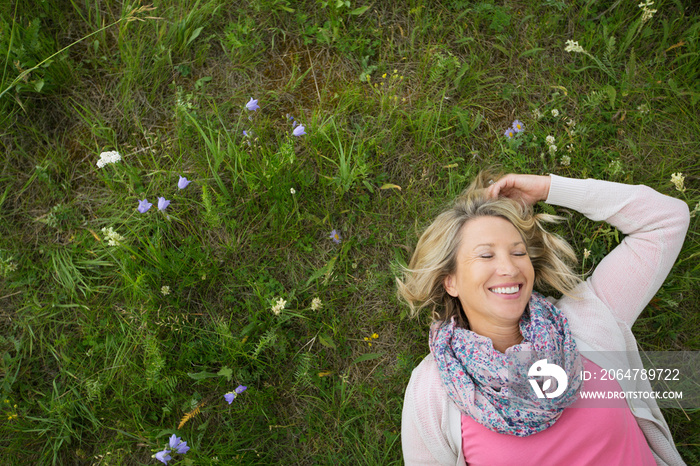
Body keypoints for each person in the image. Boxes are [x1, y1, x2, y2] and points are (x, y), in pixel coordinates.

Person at [398, 172, 690, 465]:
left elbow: (665, 220)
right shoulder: (435, 389)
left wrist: (549, 188)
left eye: (518, 252)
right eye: (486, 256)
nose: (510, 268)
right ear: (451, 282)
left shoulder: (586, 320)